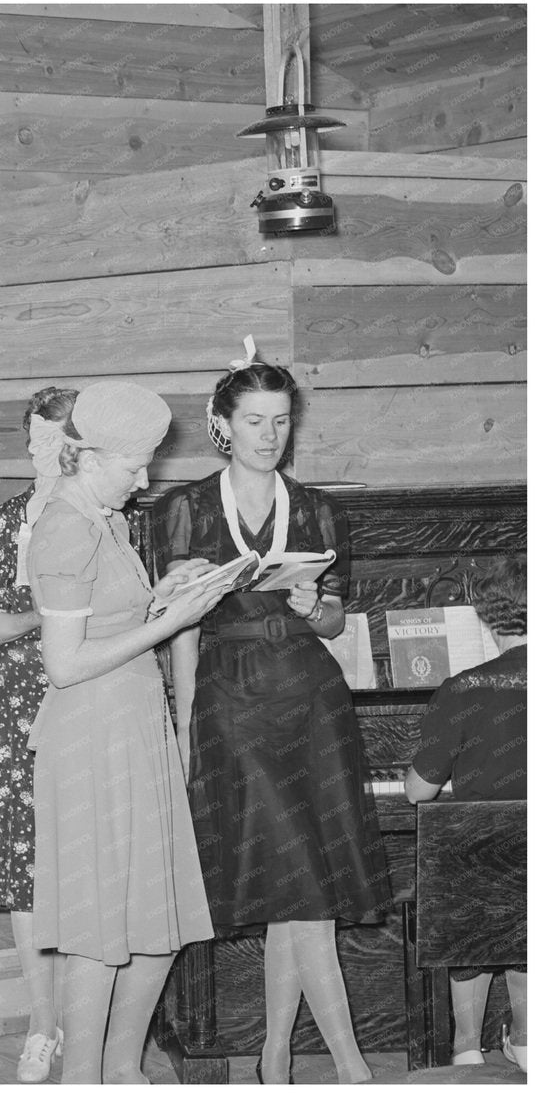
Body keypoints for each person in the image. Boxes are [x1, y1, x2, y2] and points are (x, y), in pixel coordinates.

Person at [158, 356, 392, 1085]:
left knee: (305, 891)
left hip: (312, 700)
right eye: (254, 422)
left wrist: (311, 607)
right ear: (221, 426)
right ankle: (351, 1070)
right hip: (232, 702)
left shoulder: (320, 508)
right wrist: (188, 724)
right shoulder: (188, 508)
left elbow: (334, 621)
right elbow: (180, 632)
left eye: (281, 421)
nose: (269, 436)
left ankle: (276, 1059)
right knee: (298, 886)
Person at [26, 380, 224, 1084]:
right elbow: (63, 664)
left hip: (134, 728)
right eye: (132, 464)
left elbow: (114, 617)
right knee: (98, 929)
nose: (144, 479)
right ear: (84, 454)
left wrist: (167, 594)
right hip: (89, 740)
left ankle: (122, 1073)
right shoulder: (64, 526)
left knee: (153, 921)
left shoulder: (106, 518)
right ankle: (82, 1080)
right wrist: (167, 624)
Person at [0, 386, 77, 1082]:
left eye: (58, 440)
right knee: (28, 872)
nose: (45, 453)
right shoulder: (5, 525)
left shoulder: (103, 521)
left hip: (88, 695)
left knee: (85, 860)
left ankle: (89, 1022)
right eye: (34, 439)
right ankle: (42, 1023)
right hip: (18, 707)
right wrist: (42, 609)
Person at [406, 555, 527, 1072]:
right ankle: (528, 1039)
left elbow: (418, 792)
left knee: (473, 883)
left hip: (482, 856)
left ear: (486, 614)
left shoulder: (463, 688)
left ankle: (465, 1049)